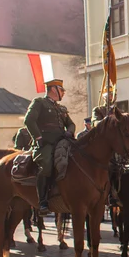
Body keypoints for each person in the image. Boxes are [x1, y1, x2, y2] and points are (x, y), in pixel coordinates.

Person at [24, 79, 76, 215]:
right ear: (54, 89)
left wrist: (69, 132)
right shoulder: (39, 103)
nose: (63, 93)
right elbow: (29, 120)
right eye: (62, 90)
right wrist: (38, 137)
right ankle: (42, 201)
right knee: (46, 165)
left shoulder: (61, 108)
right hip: (45, 143)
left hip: (62, 142)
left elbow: (71, 124)